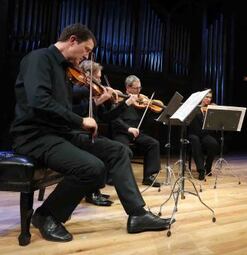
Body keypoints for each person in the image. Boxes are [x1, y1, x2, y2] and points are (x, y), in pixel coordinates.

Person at [10, 23, 171, 242]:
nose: (87, 56)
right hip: (35, 136)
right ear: (72, 40)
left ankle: (138, 215)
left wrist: (95, 105)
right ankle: (47, 215)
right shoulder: (38, 59)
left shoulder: (65, 70)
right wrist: (80, 120)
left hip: (61, 133)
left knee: (118, 151)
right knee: (93, 168)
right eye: (86, 50)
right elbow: (40, 102)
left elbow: (65, 112)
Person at [73, 60, 139, 206]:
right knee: (116, 151)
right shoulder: (76, 89)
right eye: (98, 78)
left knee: (122, 151)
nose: (100, 82)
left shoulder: (95, 92)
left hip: (91, 134)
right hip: (77, 134)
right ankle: (92, 192)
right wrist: (99, 100)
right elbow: (73, 112)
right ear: (87, 76)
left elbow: (106, 117)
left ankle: (96, 190)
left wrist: (124, 104)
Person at [111, 75, 162, 187]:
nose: (138, 91)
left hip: (137, 132)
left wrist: (148, 104)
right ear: (128, 88)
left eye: (140, 88)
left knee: (153, 143)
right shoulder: (119, 99)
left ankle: (148, 176)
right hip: (122, 132)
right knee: (123, 148)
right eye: (136, 88)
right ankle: (116, 177)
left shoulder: (140, 101)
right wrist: (127, 128)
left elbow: (157, 109)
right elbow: (114, 120)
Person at [187, 90, 219, 180]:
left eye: (210, 97)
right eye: (207, 97)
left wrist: (215, 111)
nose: (209, 99)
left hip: (204, 134)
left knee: (213, 143)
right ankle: (201, 170)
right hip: (193, 133)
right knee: (195, 141)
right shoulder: (194, 107)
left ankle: (207, 167)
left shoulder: (209, 109)